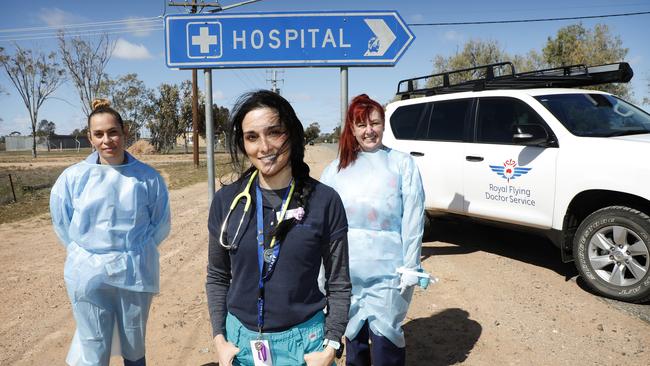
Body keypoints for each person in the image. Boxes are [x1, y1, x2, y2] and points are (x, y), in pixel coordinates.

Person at [206, 90, 351, 366]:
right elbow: (217, 276)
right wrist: (220, 340)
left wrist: (331, 346)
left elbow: (339, 282)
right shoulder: (227, 202)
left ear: (292, 134)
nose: (264, 147)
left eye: (274, 132)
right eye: (252, 137)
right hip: (241, 347)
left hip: (306, 348)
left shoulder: (325, 201)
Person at [50, 99, 171, 366]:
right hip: (88, 273)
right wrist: (87, 254)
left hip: (134, 272)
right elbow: (62, 223)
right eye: (99, 134)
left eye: (113, 132)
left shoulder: (147, 178)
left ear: (124, 132)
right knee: (94, 347)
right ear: (90, 138)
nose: (107, 140)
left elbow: (160, 224)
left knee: (134, 346)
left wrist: (133, 251)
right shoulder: (73, 178)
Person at [320, 94, 427, 366]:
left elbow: (413, 218)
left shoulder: (402, 164)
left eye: (375, 123)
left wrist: (411, 265)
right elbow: (324, 227)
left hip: (389, 273)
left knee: (386, 342)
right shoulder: (335, 171)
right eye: (361, 125)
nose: (369, 131)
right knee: (353, 342)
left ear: (383, 124)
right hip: (348, 274)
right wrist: (322, 275)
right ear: (351, 129)